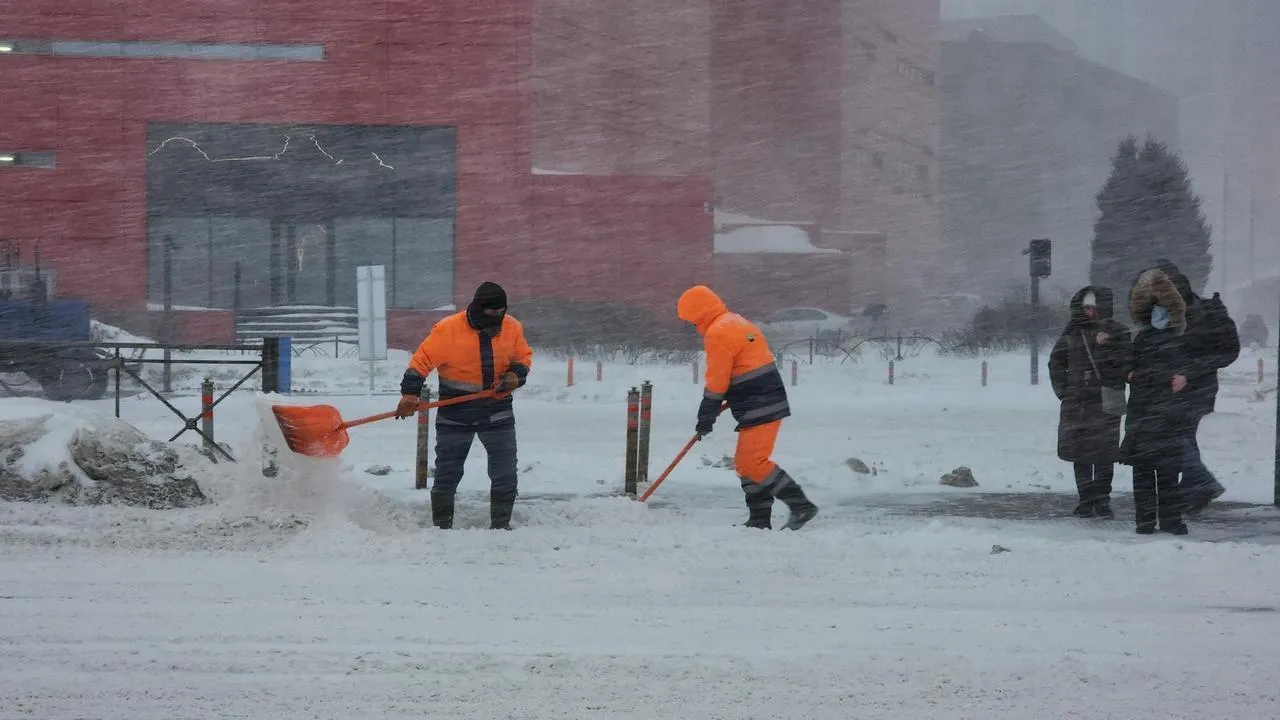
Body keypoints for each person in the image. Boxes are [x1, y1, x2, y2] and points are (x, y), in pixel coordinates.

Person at [676, 285, 819, 530]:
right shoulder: (737, 321)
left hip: (759, 402)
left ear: (699, 314)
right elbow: (746, 364)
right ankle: (759, 519)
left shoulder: (718, 332)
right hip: (764, 397)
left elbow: (718, 379)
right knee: (746, 463)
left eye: (691, 321)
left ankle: (801, 506)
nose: (692, 326)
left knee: (753, 462)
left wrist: (706, 414)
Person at [395, 281, 532, 530]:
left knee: (504, 471)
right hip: (455, 411)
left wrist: (515, 376)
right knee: (448, 471)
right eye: (492, 313)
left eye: (501, 312)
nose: (498, 318)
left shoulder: (512, 327)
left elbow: (523, 358)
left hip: (497, 409)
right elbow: (420, 362)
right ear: (479, 308)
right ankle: (442, 526)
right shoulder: (448, 330)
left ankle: (501, 525)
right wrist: (409, 395)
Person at [1154, 259, 1240, 512]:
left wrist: (1188, 373)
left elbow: (1226, 352)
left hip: (1193, 388)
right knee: (1183, 437)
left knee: (1173, 436)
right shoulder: (1166, 311)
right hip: (1176, 387)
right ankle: (1192, 490)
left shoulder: (1201, 312)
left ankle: (1201, 482)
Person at [1049, 286, 1132, 519]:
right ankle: (1085, 500)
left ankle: (1102, 500)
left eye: (1093, 307)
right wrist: (1064, 390)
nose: (1089, 312)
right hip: (1077, 401)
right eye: (1085, 307)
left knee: (1105, 454)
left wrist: (1108, 346)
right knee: (1080, 453)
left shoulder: (1119, 332)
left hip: (1107, 399)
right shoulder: (1072, 332)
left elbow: (1126, 363)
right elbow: (1055, 362)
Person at [1120, 269, 1192, 535]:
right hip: (1148, 414)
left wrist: (1183, 378)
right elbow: (1130, 366)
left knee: (1165, 472)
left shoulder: (1175, 340)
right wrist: (1130, 373)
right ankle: (1149, 520)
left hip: (1161, 415)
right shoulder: (1145, 339)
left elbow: (1190, 370)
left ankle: (1159, 520)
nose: (1158, 314)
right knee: (1150, 472)